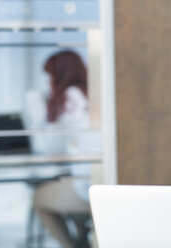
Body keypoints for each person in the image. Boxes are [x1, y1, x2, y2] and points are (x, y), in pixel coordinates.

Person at [26, 50, 101, 248]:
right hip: (107, 179)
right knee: (66, 192)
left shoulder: (66, 100)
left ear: (57, 76)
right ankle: (83, 238)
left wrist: (39, 115)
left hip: (88, 188)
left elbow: (51, 150)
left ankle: (70, 245)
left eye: (49, 75)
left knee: (39, 199)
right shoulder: (93, 93)